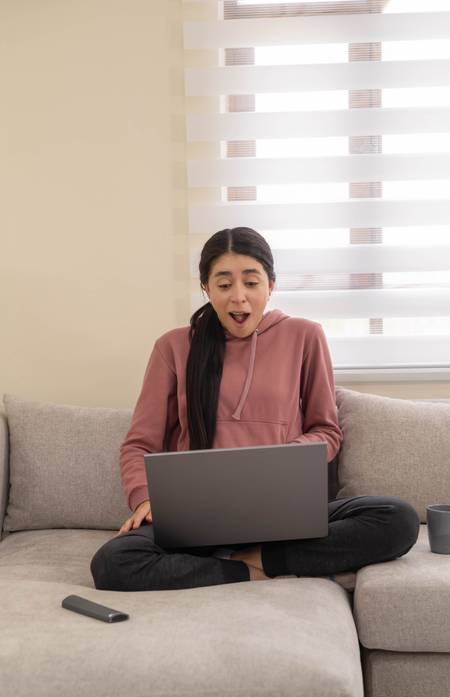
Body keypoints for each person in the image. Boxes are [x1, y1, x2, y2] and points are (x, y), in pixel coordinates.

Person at [90, 227, 419, 592]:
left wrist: (280, 462)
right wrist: (145, 498)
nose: (239, 299)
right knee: (112, 563)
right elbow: (139, 444)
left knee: (398, 519)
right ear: (206, 288)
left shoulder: (304, 336)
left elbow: (326, 430)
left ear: (271, 285)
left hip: (284, 514)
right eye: (224, 284)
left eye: (251, 282)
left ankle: (261, 558)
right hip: (197, 515)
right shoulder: (174, 347)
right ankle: (247, 571)